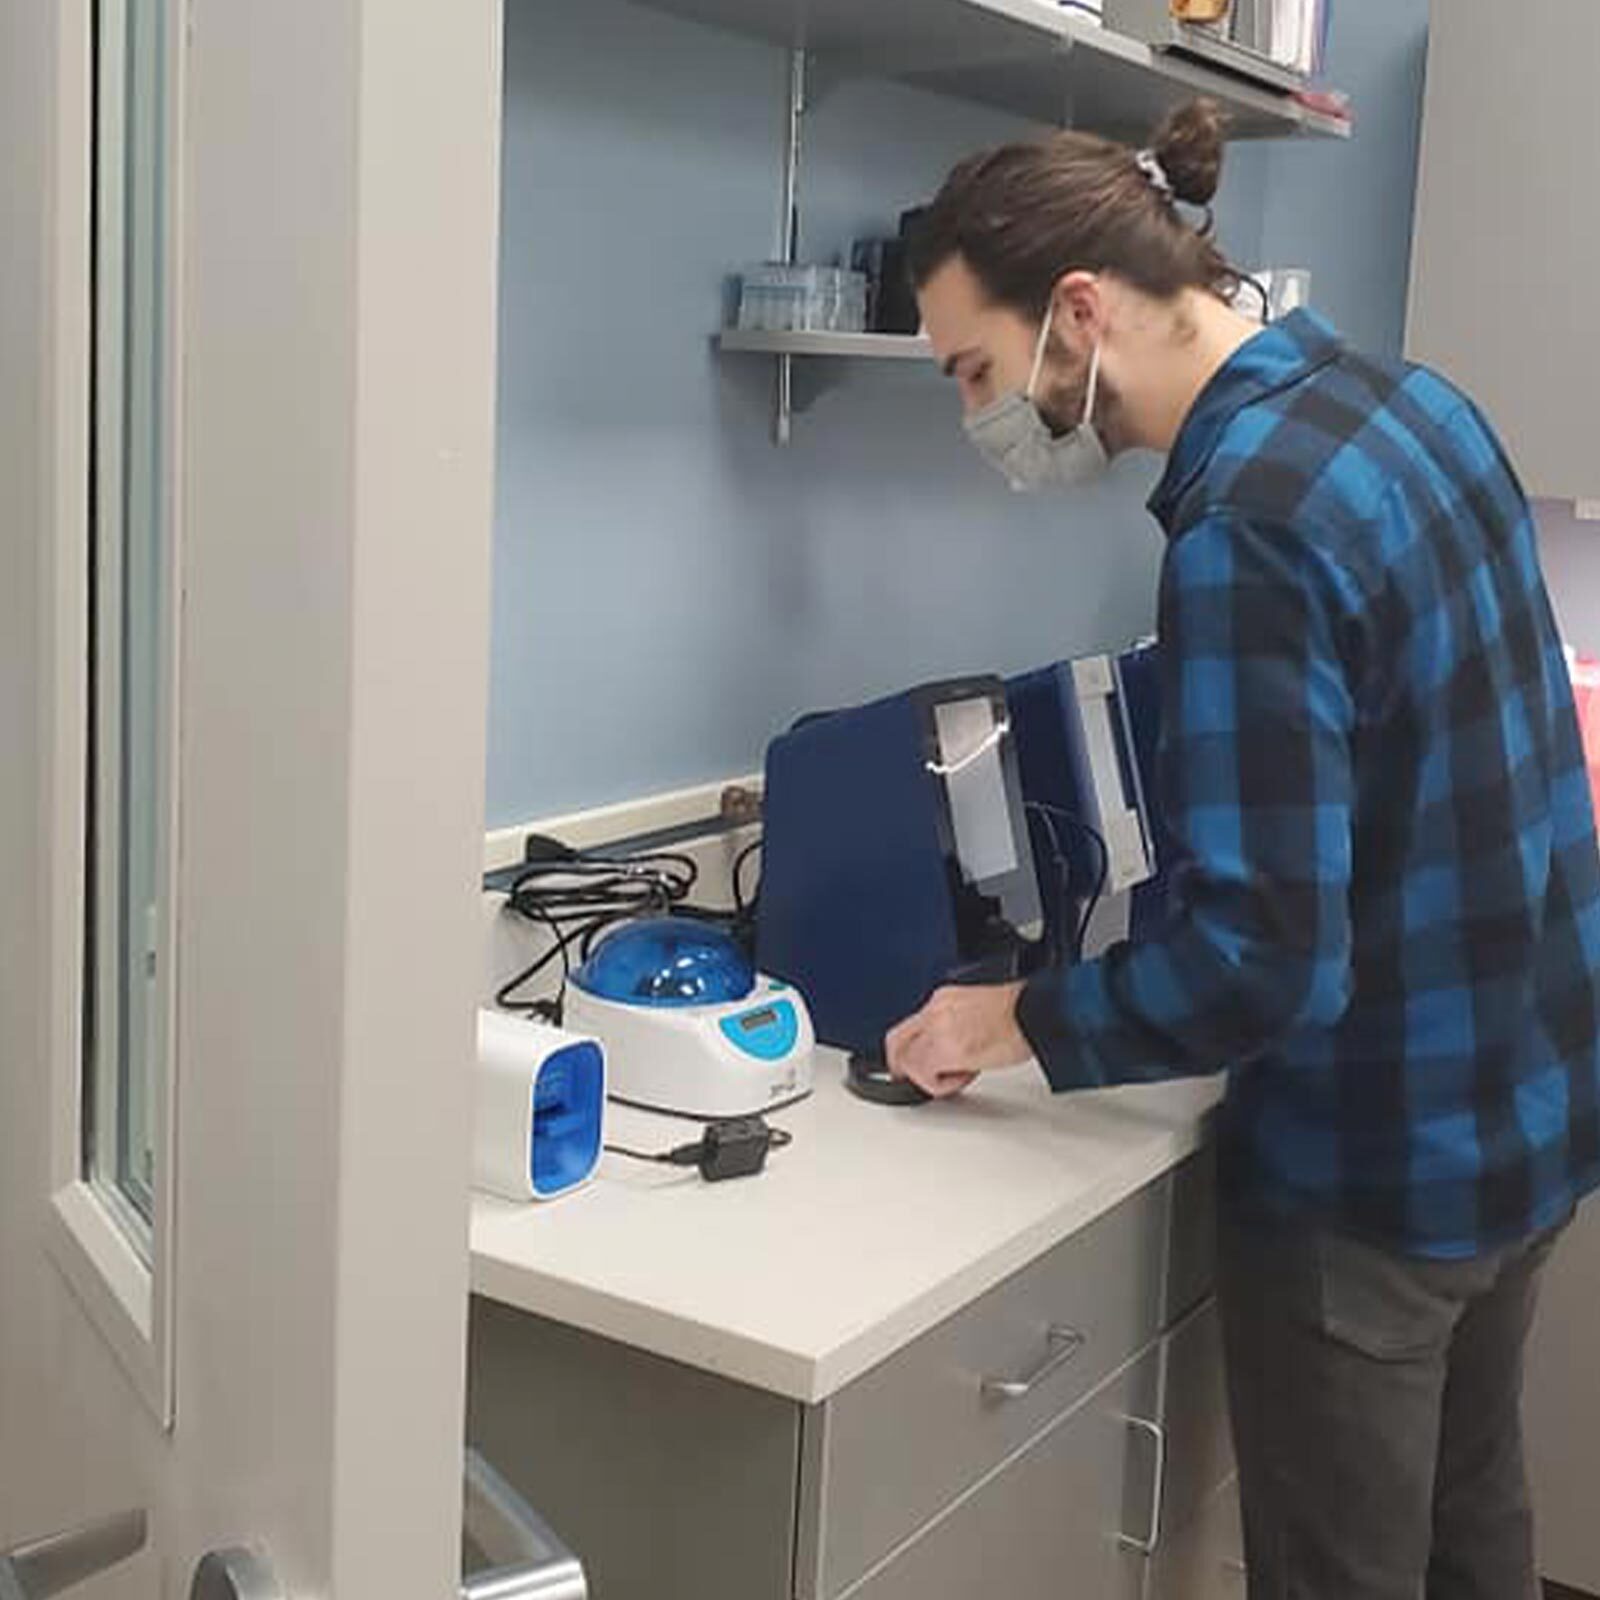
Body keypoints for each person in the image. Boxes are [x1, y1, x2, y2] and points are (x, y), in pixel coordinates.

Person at [884, 98, 1600, 1600]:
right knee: (1479, 1544)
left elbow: (1265, 965)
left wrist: (1012, 1017)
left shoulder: (1246, 527)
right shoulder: (1420, 404)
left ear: (1075, 313)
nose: (977, 420)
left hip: (1373, 1185)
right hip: (1527, 1114)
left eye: (971, 371)